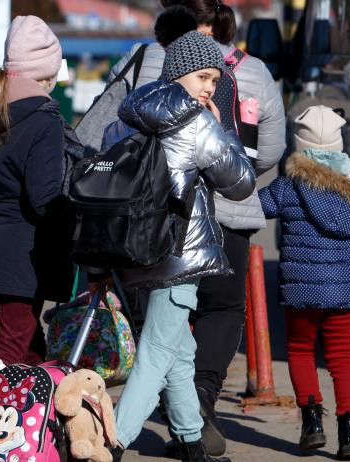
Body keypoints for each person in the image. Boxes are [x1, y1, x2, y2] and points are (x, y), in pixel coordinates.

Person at [110, 1, 287, 455]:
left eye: (214, 79)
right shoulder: (193, 120)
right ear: (180, 74)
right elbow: (240, 181)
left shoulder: (140, 109)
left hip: (141, 245)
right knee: (156, 354)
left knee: (179, 355)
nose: (211, 86)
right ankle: (112, 441)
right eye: (203, 77)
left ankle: (191, 440)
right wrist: (218, 124)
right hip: (182, 251)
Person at [257, 105, 350, 460]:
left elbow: (254, 208)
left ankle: (312, 424)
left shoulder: (288, 187)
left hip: (301, 289)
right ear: (339, 143)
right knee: (343, 357)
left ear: (299, 146)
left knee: (301, 352)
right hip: (346, 290)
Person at [0, 15, 78, 366]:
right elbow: (43, 198)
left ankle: (43, 418)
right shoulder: (45, 119)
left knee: (31, 350)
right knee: (6, 354)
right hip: (27, 255)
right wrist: (75, 219)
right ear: (48, 74)